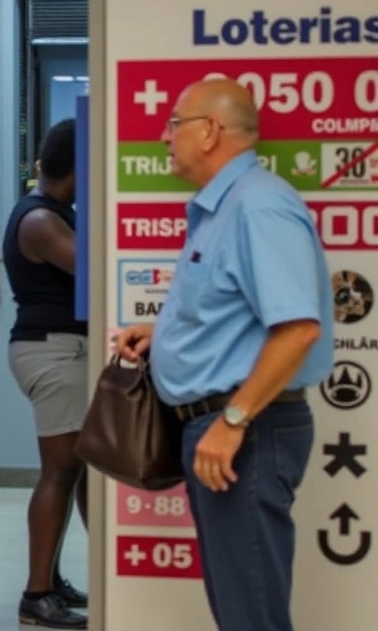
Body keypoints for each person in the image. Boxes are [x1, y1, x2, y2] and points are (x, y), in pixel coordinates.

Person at [116, 78, 332, 631]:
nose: (163, 137)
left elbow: (298, 329)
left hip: (246, 432)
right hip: (223, 429)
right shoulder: (225, 207)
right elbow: (237, 312)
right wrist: (159, 335)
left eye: (173, 123)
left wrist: (234, 420)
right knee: (239, 606)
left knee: (249, 613)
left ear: (209, 131)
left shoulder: (257, 205)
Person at [1, 118, 89, 629]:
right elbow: (97, 269)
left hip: (59, 349)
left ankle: (50, 580)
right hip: (52, 351)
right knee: (59, 469)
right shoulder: (39, 220)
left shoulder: (55, 211)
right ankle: (37, 593)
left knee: (72, 468)